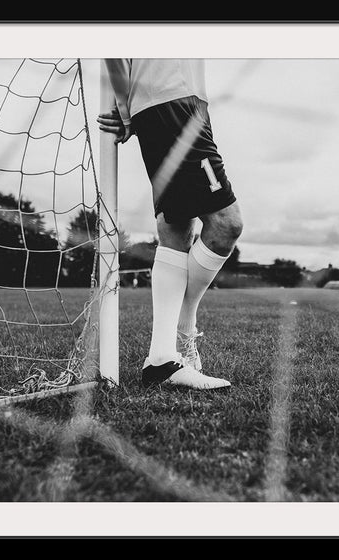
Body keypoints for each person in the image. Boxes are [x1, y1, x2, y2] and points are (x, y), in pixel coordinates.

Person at [98, 59, 243, 390]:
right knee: (226, 224)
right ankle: (175, 340)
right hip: (168, 101)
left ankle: (164, 357)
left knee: (177, 228)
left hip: (183, 101)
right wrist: (124, 107)